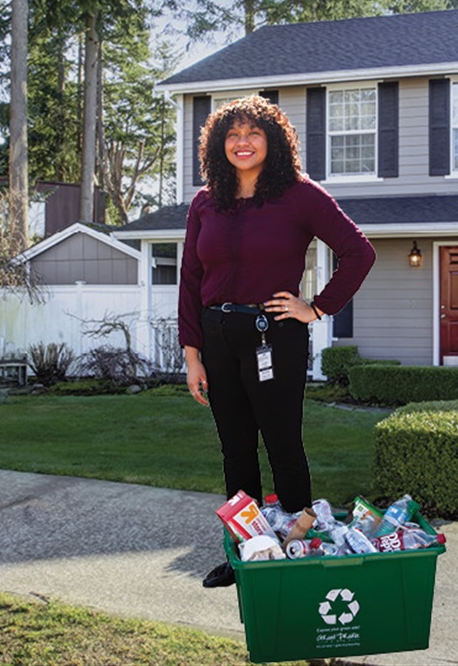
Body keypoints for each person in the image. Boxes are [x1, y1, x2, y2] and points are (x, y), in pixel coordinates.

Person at [178, 95, 376, 588]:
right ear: (218, 146)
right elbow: (190, 277)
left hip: (276, 337)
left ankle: (298, 550)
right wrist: (192, 354)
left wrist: (317, 307)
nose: (242, 143)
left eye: (253, 134)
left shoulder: (299, 195)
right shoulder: (206, 203)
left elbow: (359, 251)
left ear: (273, 141)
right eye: (232, 135)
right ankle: (248, 552)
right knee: (236, 450)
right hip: (218, 337)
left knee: (284, 445)